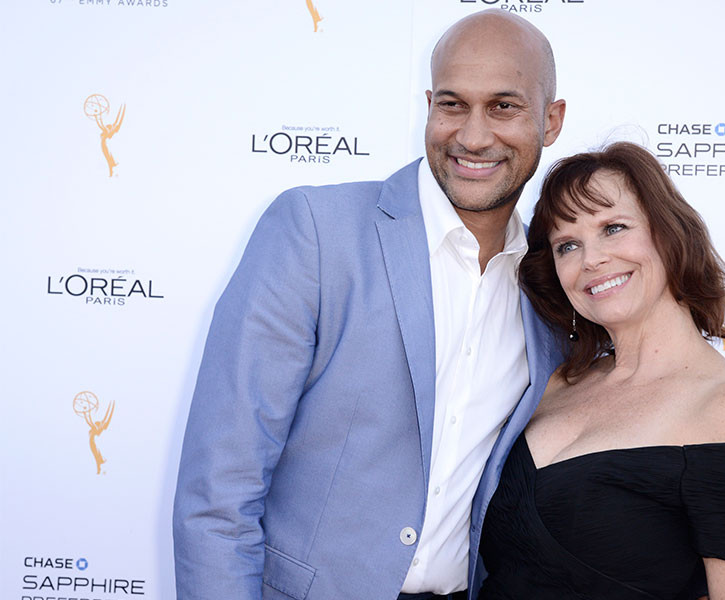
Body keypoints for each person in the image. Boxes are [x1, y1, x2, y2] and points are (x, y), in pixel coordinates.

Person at [172, 10, 566, 600]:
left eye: (504, 106)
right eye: (453, 104)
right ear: (429, 104)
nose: (473, 136)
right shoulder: (315, 232)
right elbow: (218, 493)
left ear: (551, 120)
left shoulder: (555, 282)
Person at [476, 143, 725, 599]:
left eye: (613, 228)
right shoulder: (555, 381)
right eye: (568, 245)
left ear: (669, 235)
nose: (590, 259)